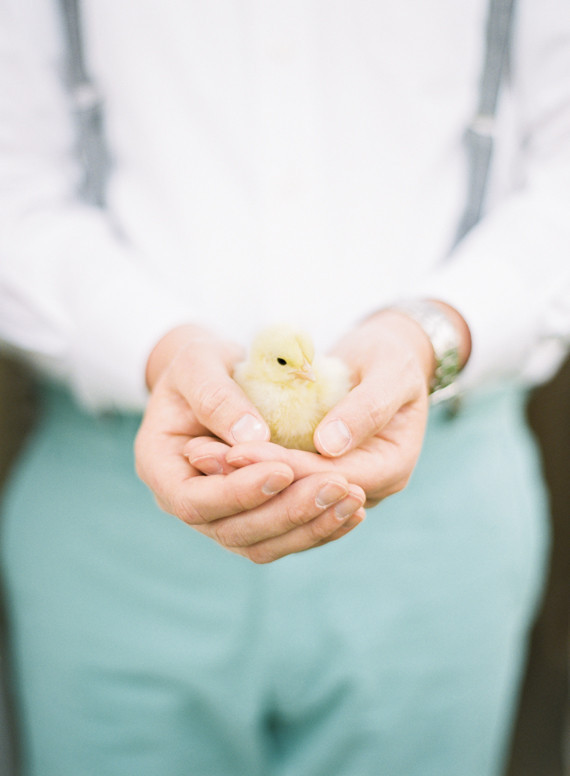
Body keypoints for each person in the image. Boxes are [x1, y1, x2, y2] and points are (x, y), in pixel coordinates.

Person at [0, 1, 569, 774]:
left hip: (439, 503)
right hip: (117, 510)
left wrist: (431, 332)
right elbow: (14, 180)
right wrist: (153, 344)